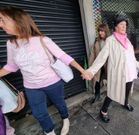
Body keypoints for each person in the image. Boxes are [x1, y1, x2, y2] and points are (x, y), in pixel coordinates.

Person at [0, 6, 86, 135]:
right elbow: (12, 66)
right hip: (31, 87)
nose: (0, 24)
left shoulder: (43, 40)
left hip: (53, 83)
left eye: (2, 20)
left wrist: (83, 70)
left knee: (60, 103)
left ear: (17, 20)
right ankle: (49, 132)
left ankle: (65, 118)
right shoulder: (11, 44)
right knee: (39, 114)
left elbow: (63, 56)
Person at [82, 14, 139, 123]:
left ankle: (125, 102)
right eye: (121, 24)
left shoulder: (127, 41)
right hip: (118, 73)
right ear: (115, 27)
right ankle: (103, 111)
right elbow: (101, 57)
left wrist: (137, 64)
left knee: (127, 90)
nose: (124, 27)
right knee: (112, 94)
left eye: (125, 25)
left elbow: (131, 57)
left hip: (129, 72)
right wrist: (91, 71)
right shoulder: (110, 40)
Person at [88, 24, 110, 103]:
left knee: (110, 81)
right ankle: (97, 95)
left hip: (108, 65)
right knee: (97, 81)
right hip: (99, 65)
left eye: (102, 31)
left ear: (106, 31)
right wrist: (90, 66)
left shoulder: (110, 40)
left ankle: (111, 97)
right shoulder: (97, 41)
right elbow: (92, 54)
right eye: (99, 31)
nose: (100, 33)